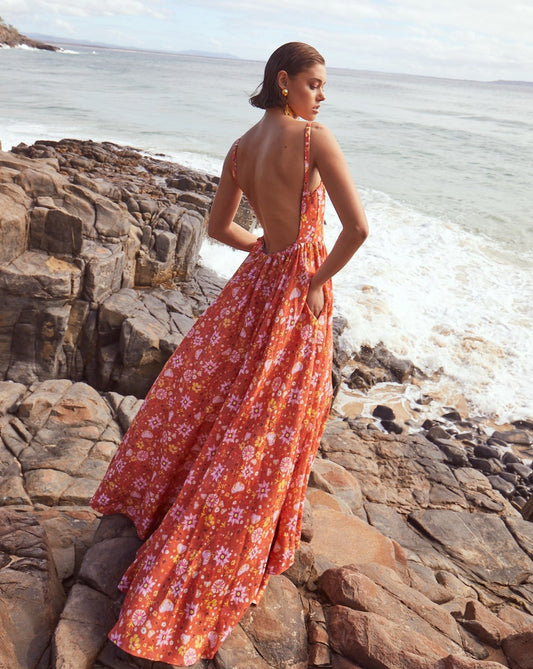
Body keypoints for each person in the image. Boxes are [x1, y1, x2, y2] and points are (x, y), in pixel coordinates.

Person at [90, 41, 368, 666]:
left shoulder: (241, 147)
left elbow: (220, 229)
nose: (323, 95)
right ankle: (239, 536)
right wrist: (316, 282)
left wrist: (263, 250)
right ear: (284, 80)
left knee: (226, 402)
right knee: (267, 420)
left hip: (257, 281)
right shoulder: (313, 139)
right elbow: (357, 229)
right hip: (298, 291)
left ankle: (170, 503)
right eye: (316, 83)